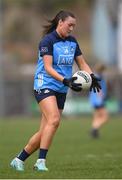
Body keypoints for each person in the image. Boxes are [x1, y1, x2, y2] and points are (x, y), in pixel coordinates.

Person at [10, 10, 101, 171]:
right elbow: (48, 67)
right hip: (44, 84)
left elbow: (82, 63)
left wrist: (92, 77)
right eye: (69, 25)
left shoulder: (73, 42)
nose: (72, 28)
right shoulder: (48, 41)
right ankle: (40, 162)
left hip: (61, 89)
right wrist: (66, 80)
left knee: (46, 129)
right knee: (54, 120)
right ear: (60, 22)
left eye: (74, 26)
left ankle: (19, 159)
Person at [89, 63, 109, 138]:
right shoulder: (98, 77)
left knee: (96, 117)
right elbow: (99, 89)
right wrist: (101, 97)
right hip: (98, 100)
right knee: (105, 117)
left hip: (93, 99)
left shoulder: (95, 76)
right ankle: (94, 129)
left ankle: (95, 132)